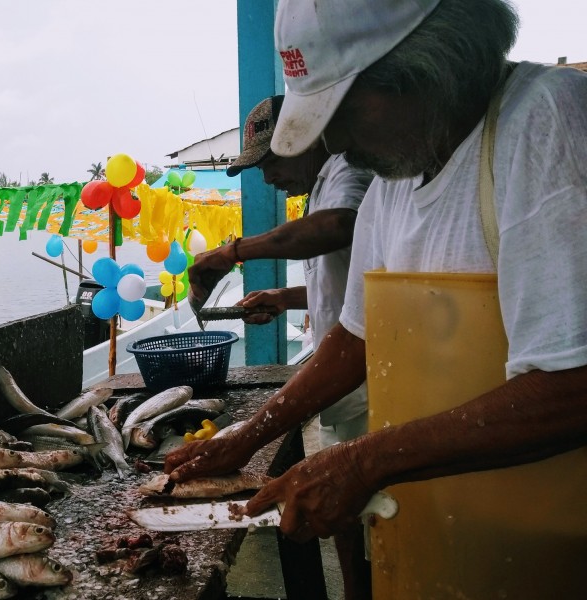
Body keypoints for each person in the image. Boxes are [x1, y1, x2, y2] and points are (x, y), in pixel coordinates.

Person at [167, 0, 587, 597]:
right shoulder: (393, 179)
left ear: (424, 68)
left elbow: (574, 384)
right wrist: (248, 437)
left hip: (547, 547)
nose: (334, 140)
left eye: (341, 109)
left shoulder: (547, 121)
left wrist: (364, 461)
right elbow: (357, 337)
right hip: (435, 530)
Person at [191, 94, 374, 595]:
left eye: (270, 161)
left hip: (371, 373)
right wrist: (286, 298)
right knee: (347, 512)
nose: (267, 178)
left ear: (304, 136)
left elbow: (341, 227)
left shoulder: (345, 168)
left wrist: (232, 252)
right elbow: (342, 282)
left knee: (371, 511)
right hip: (347, 369)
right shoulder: (319, 188)